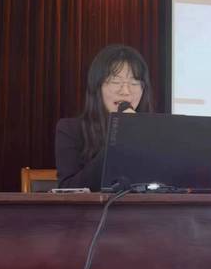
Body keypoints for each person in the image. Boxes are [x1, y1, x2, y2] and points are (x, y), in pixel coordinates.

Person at [55, 44, 153, 191]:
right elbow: (68, 189)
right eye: (115, 82)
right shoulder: (70, 129)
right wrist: (118, 141)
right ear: (97, 86)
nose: (125, 91)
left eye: (134, 83)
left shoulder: (153, 132)